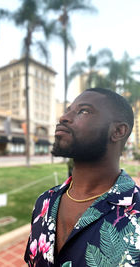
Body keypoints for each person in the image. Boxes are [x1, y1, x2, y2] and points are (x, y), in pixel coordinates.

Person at [24, 88, 140, 267]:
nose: (63, 117)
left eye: (83, 111)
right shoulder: (44, 202)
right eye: (68, 110)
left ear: (118, 131)